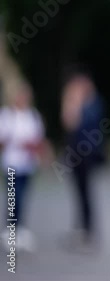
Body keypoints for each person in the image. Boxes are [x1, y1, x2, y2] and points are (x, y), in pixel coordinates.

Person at [60, 69, 105, 251]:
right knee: (79, 192)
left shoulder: (93, 104)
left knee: (86, 192)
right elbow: (67, 123)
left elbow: (77, 123)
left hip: (87, 155)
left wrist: (75, 104)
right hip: (76, 154)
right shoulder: (80, 104)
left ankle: (88, 229)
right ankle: (81, 228)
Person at [0, 83, 45, 252]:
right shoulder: (6, 115)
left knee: (23, 196)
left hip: (27, 164)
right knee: (14, 197)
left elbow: (38, 140)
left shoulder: (33, 116)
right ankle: (11, 229)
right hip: (11, 163)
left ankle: (21, 228)